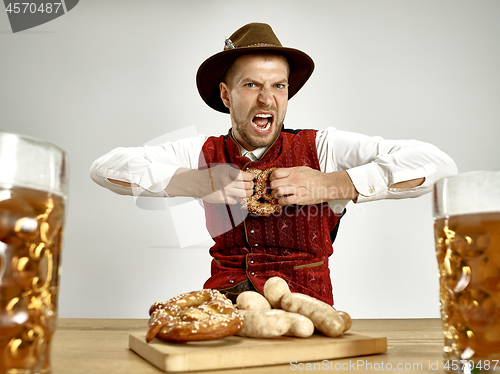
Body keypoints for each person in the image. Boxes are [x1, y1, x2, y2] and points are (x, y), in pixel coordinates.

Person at [90, 23, 457, 305]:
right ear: (225, 94)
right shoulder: (202, 153)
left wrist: (332, 184)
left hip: (307, 320)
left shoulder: (324, 148)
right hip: (224, 313)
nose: (267, 99)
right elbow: (105, 168)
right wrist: (195, 182)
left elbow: (439, 165)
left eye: (278, 86)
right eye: (251, 85)